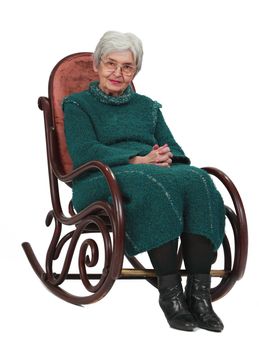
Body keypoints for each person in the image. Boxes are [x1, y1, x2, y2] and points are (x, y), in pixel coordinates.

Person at [63, 31, 225, 332]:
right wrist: (137, 159)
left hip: (149, 171)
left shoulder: (147, 106)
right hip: (99, 177)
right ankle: (171, 296)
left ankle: (200, 296)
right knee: (151, 185)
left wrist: (165, 158)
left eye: (127, 67)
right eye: (111, 63)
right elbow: (85, 152)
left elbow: (174, 148)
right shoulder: (77, 105)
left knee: (198, 180)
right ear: (97, 65)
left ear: (135, 70)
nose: (118, 73)